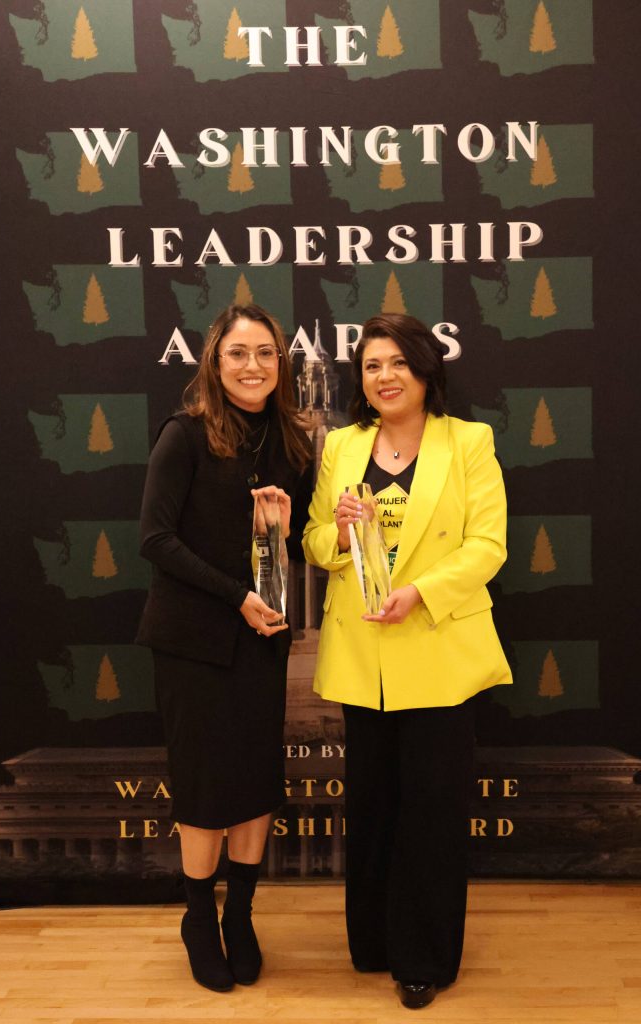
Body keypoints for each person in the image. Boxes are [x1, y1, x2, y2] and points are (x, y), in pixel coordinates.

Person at [302, 313, 512, 1010]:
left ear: (425, 371)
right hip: (364, 651)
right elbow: (312, 545)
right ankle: (373, 942)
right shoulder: (342, 446)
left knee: (431, 808)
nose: (383, 376)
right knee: (373, 804)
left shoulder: (468, 442)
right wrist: (334, 532)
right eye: (370, 365)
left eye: (396, 363)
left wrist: (419, 592)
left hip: (439, 648)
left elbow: (487, 547)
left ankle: (422, 957)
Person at [136, 304, 312, 992]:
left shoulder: (293, 443)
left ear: (281, 364)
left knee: (255, 784)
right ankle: (198, 920)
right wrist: (237, 596)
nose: (252, 366)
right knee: (207, 790)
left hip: (260, 641)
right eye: (238, 353)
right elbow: (155, 540)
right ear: (214, 361)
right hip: (192, 643)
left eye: (265, 353)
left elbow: (283, 551)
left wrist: (283, 536)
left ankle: (240, 915)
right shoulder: (183, 435)